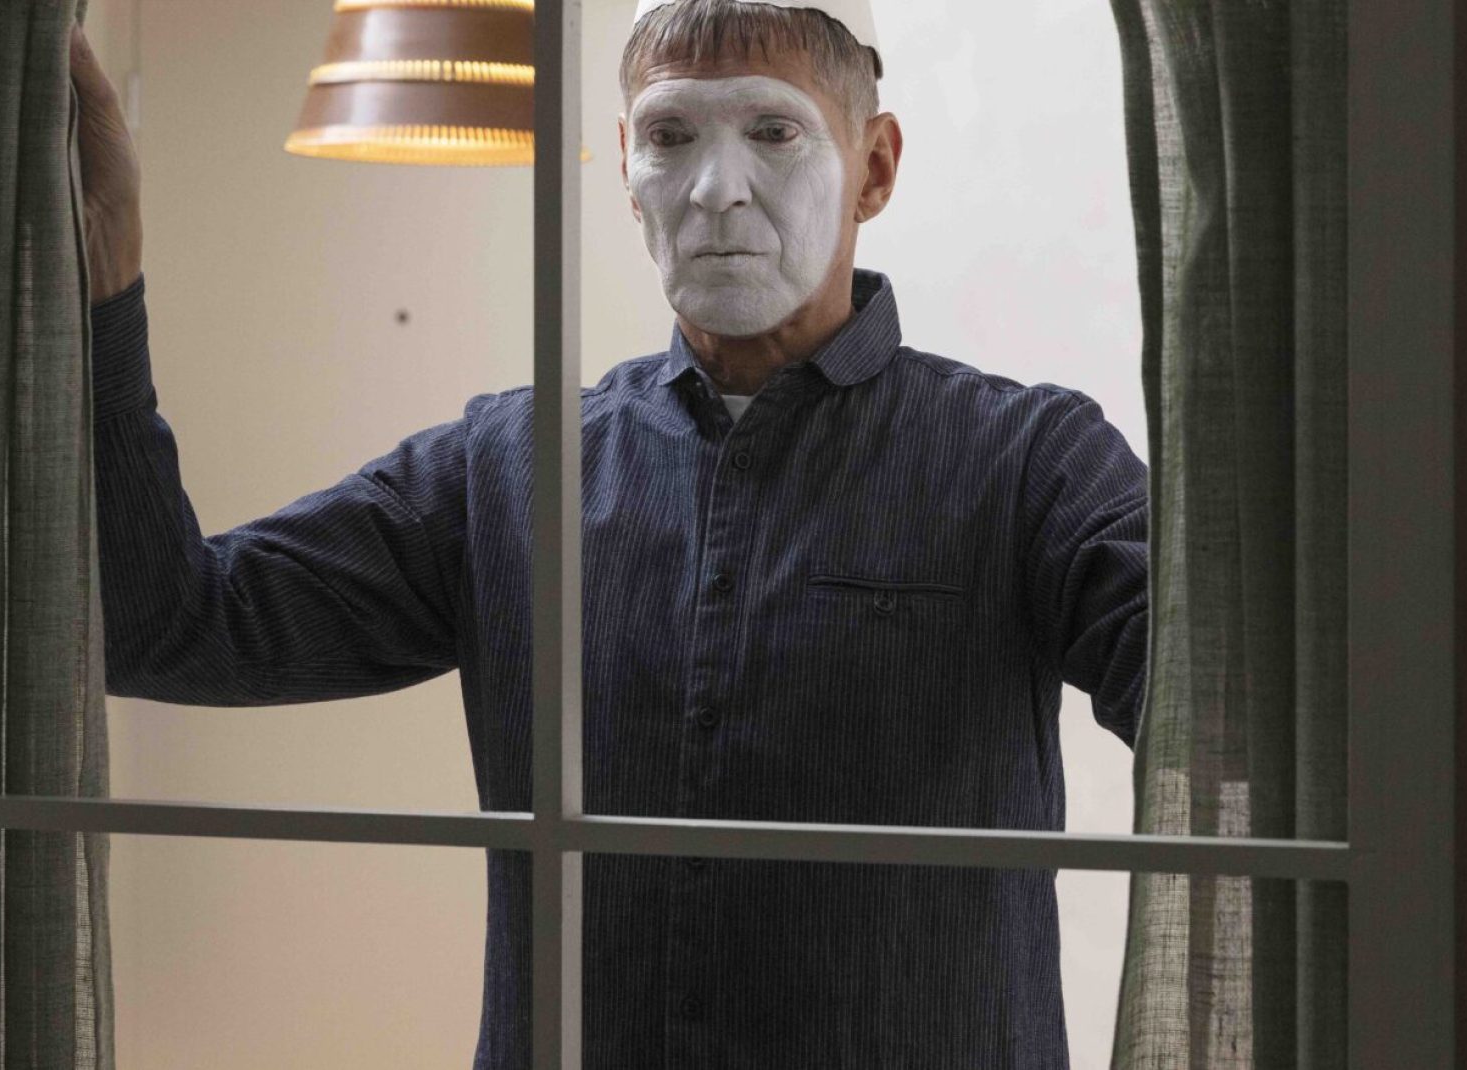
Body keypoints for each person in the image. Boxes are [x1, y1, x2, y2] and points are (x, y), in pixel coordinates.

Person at [70, 1, 1151, 1065]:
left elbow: (1211, 707)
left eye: (773, 131)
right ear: (627, 167)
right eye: (672, 136)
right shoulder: (507, 468)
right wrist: (103, 274)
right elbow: (161, 625)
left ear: (874, 168)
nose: (717, 188)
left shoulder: (1028, 460)